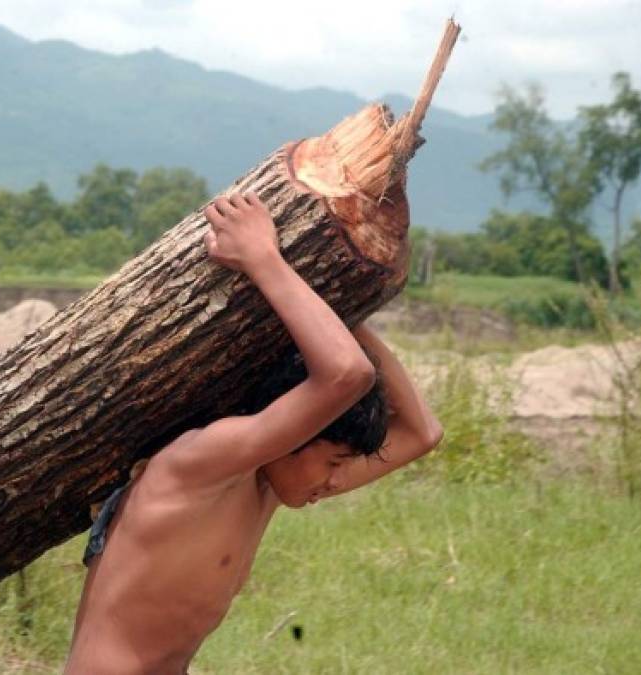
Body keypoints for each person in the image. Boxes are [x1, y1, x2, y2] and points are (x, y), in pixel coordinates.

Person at [65, 192, 443, 674]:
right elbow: (347, 374)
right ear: (296, 432)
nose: (336, 481)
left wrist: (346, 310)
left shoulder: (272, 485)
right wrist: (265, 260)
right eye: (333, 462)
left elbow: (422, 433)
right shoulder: (205, 463)